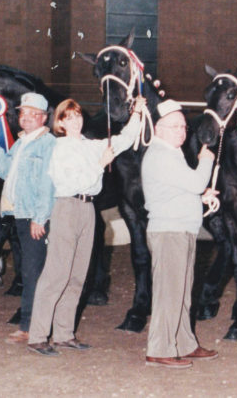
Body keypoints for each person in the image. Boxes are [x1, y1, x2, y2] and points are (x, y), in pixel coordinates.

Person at [26, 97, 145, 356]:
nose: (75, 121)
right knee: (57, 273)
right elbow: (72, 182)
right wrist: (100, 165)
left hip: (88, 209)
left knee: (78, 274)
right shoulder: (59, 148)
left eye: (78, 116)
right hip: (66, 207)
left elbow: (123, 140)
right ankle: (37, 335)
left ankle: (63, 334)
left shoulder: (90, 146)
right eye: (69, 117)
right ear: (60, 123)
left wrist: (136, 113)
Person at [141, 100, 218, 369]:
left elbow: (182, 189)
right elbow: (196, 181)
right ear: (159, 129)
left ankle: (183, 343)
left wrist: (200, 196)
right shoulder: (161, 155)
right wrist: (206, 161)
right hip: (169, 231)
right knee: (169, 293)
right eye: (174, 126)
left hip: (181, 229)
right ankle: (159, 349)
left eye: (184, 126)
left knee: (182, 292)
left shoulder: (172, 155)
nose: (181, 131)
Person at [0, 92, 57, 343]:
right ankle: (32, 324)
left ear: (43, 118)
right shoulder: (21, 143)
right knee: (28, 270)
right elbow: (5, 171)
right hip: (20, 214)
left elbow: (48, 184)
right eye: (22, 113)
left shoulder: (48, 144)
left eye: (31, 114)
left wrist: (40, 217)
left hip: (33, 217)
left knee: (32, 271)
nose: (25, 118)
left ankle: (29, 327)